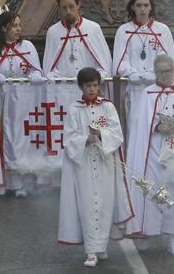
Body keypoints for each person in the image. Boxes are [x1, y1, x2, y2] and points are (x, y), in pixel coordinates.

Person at [126, 54, 174, 255]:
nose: (164, 75)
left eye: (168, 71)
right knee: (150, 191)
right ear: (155, 72)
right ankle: (145, 233)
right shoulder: (147, 93)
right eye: (160, 71)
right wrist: (157, 126)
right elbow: (139, 125)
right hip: (152, 152)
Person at [57, 67, 133, 268]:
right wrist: (85, 139)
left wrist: (100, 134)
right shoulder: (75, 109)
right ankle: (90, 251)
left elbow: (117, 133)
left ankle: (101, 246)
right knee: (88, 204)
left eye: (95, 85)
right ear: (81, 86)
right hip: (84, 163)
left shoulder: (107, 107)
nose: (92, 89)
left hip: (104, 160)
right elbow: (69, 138)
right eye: (88, 85)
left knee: (106, 203)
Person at [0, 11, 44, 197]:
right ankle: (3, 183)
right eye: (14, 25)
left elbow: (34, 69)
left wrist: (36, 75)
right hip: (2, 104)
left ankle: (21, 183)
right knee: (5, 140)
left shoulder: (27, 46)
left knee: (22, 142)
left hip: (23, 105)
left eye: (20, 25)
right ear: (4, 28)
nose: (19, 29)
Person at [112, 0, 174, 117]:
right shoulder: (124, 30)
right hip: (134, 88)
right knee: (135, 121)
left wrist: (154, 72)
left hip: (157, 84)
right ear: (132, 7)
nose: (142, 9)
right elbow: (120, 58)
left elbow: (165, 57)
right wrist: (130, 73)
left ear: (151, 7)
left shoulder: (162, 30)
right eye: (139, 5)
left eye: (146, 5)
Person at [43, 0, 112, 78]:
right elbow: (49, 66)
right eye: (64, 8)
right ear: (59, 8)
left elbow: (104, 62)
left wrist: (98, 77)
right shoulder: (53, 32)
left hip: (90, 86)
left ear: (78, 5)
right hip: (64, 87)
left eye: (71, 6)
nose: (68, 11)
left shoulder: (93, 28)